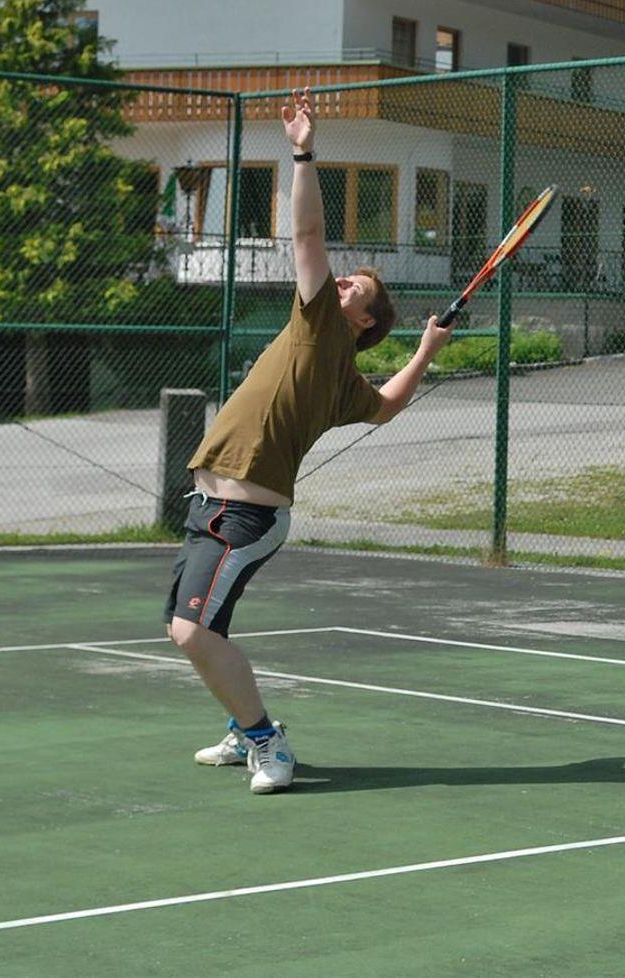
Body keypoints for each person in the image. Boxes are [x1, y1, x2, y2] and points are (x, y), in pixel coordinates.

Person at [164, 88, 451, 793]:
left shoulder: (324, 328)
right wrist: (425, 351)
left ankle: (268, 743)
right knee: (193, 630)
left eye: (356, 287)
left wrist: (303, 153)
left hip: (244, 517)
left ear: (361, 320)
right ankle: (243, 730)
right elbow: (386, 407)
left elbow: (306, 235)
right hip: (208, 508)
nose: (343, 279)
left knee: (193, 633)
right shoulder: (333, 363)